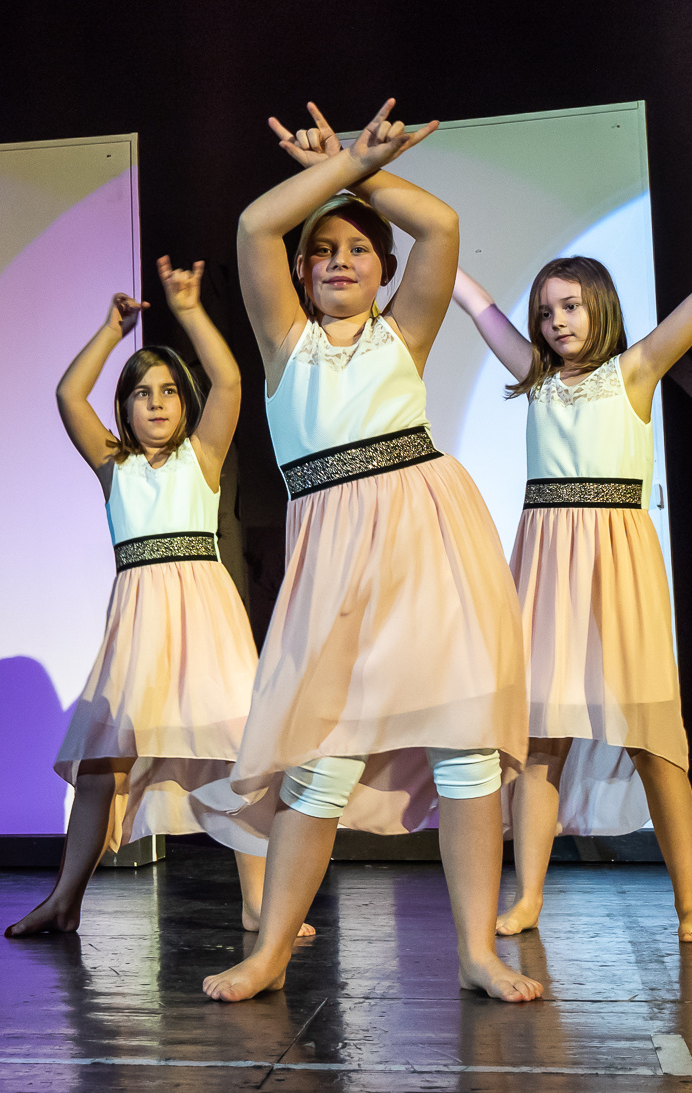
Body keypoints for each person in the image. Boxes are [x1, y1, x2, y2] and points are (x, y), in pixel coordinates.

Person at [451, 169, 692, 941]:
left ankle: (690, 898)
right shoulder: (534, 379)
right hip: (546, 564)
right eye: (545, 311)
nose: (557, 321)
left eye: (571, 305)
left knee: (653, 740)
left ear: (600, 305)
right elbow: (469, 297)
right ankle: (527, 894)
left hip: (617, 565)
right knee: (539, 744)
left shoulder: (632, 372)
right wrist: (380, 199)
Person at [201, 101, 536, 1004]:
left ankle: (477, 950)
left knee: (464, 751)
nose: (340, 259)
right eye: (322, 251)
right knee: (319, 761)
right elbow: (254, 225)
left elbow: (442, 225)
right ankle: (273, 951)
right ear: (301, 273)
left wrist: (363, 168)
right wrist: (337, 170)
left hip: (431, 543)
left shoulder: (404, 332)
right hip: (337, 562)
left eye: (357, 248)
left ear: (384, 268)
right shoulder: (286, 344)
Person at [8, 258, 303, 939]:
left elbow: (230, 380)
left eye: (169, 390)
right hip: (140, 628)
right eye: (142, 393)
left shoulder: (203, 458)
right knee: (102, 764)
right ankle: (65, 899)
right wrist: (112, 330)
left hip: (206, 623)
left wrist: (190, 310)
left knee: (238, 754)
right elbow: (68, 394)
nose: (158, 402)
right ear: (125, 409)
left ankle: (258, 903)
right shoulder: (115, 467)